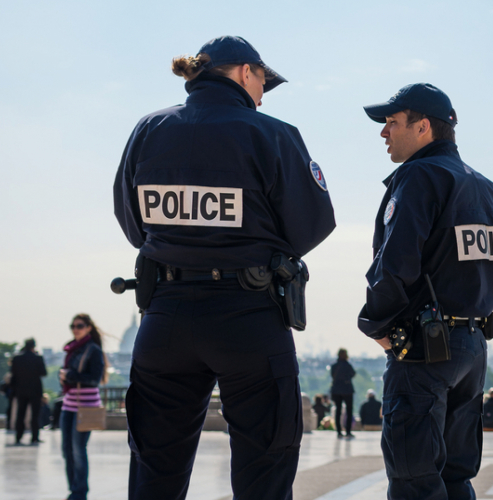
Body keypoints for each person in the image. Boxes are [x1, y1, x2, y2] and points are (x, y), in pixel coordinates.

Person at [114, 35, 335, 499]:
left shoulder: (148, 129)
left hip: (165, 317)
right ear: (245, 72)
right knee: (264, 471)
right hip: (248, 316)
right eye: (263, 83)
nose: (262, 96)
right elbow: (311, 226)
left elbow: (133, 224)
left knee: (154, 473)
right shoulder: (271, 133)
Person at [358, 83, 493, 500]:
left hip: (424, 347)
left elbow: (395, 262)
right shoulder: (486, 187)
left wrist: (377, 326)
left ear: (423, 127)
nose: (384, 132)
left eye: (392, 122)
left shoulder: (418, 176)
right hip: (472, 347)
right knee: (456, 477)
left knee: (415, 480)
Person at [60, 314, 108, 500]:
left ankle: (79, 492)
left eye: (79, 326)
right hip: (69, 404)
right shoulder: (72, 348)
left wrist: (70, 376)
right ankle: (73, 489)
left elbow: (95, 379)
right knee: (67, 450)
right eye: (73, 326)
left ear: (88, 328)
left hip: (86, 407)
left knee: (78, 449)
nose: (75, 329)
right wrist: (64, 376)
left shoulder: (93, 350)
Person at [10, 338, 47, 445]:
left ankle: (18, 436)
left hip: (21, 390)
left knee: (20, 414)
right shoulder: (37, 358)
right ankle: (35, 437)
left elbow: (13, 374)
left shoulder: (17, 358)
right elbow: (43, 373)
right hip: (35, 390)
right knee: (35, 415)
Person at [331, 348, 357, 438]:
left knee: (338, 411)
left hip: (337, 390)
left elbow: (332, 375)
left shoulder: (334, 366)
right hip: (347, 390)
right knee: (349, 411)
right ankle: (348, 431)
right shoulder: (348, 365)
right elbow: (353, 374)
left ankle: (339, 431)